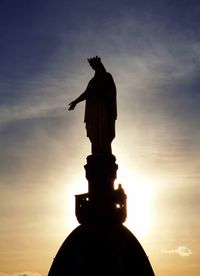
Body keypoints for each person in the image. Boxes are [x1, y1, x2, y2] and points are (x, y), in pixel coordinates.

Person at [68, 56, 117, 155]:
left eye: (94, 65)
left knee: (103, 130)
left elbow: (111, 91)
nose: (93, 68)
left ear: (99, 65)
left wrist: (102, 93)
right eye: (92, 66)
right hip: (93, 111)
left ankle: (105, 151)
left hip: (103, 109)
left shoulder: (107, 76)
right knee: (94, 131)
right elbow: (86, 93)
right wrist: (75, 102)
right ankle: (96, 151)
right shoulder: (93, 81)